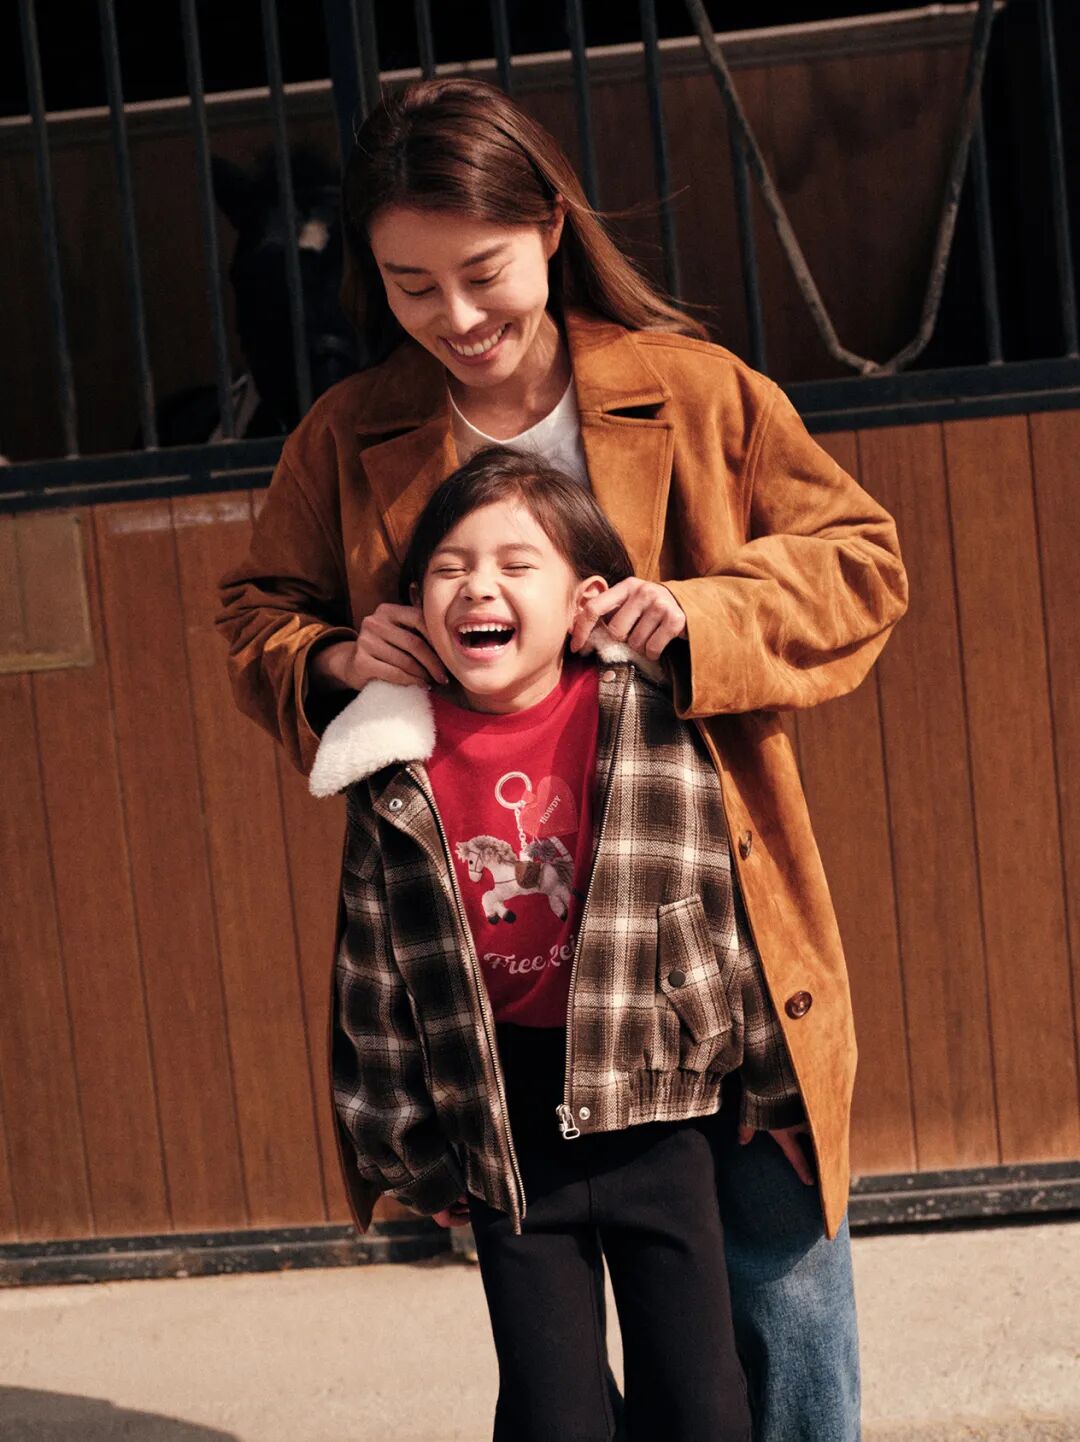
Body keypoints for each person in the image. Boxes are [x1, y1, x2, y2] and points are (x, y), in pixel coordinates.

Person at [215, 76, 909, 1442]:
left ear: (548, 224)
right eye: (411, 286)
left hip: (705, 930)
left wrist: (703, 613)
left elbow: (862, 562)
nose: (456, 316)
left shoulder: (692, 390)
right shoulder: (349, 432)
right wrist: (336, 654)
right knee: (556, 1365)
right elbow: (257, 613)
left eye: (482, 273)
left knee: (781, 1284)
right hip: (507, 966)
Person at [316, 444, 809, 1439]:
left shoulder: (648, 719)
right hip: (504, 1128)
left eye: (515, 564)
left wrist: (775, 1084)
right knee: (553, 1415)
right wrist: (410, 1151)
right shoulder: (393, 758)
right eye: (449, 568)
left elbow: (723, 908)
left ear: (585, 601)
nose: (477, 587)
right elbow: (371, 974)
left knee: (702, 1404)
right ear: (413, 605)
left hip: (658, 1107)